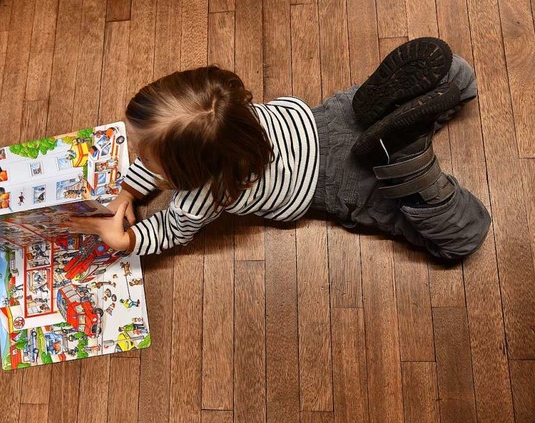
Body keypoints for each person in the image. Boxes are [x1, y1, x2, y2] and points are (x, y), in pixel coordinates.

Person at [65, 37, 490, 260]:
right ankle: (454, 80)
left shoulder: (201, 198)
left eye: (143, 155)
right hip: (328, 118)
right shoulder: (228, 113)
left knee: (461, 240)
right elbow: (166, 157)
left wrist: (129, 241)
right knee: (394, 98)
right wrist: (127, 193)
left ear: (189, 175)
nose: (137, 157)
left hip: (331, 184)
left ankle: (414, 172)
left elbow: (172, 229)